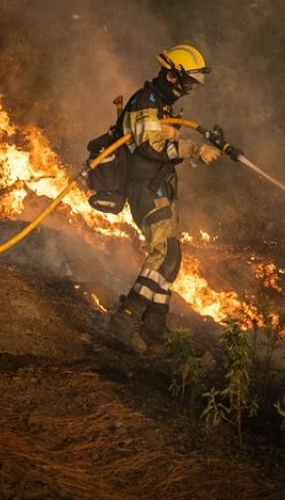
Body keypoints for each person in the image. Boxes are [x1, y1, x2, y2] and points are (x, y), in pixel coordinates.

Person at [108, 44, 221, 353]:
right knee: (162, 253)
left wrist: (192, 147)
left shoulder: (162, 106)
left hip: (160, 187)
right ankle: (125, 320)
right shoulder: (146, 102)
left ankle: (154, 324)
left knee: (173, 257)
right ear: (172, 76)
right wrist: (194, 149)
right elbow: (150, 147)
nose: (189, 90)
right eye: (188, 83)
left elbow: (166, 145)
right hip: (144, 188)